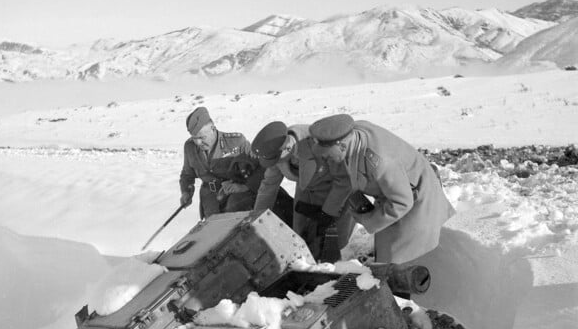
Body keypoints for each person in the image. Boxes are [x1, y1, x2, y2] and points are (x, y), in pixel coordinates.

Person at [308, 113, 454, 265]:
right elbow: (345, 177)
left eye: (328, 156)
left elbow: (402, 202)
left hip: (418, 201)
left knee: (403, 260)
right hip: (394, 195)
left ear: (342, 146)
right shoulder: (351, 136)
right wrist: (328, 212)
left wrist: (368, 219)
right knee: (386, 249)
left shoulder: (380, 162)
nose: (326, 160)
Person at [252, 120, 355, 261]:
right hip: (305, 194)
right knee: (301, 245)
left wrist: (328, 212)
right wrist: (257, 219)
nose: (275, 163)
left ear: (287, 147)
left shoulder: (317, 140)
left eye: (276, 159)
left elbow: (344, 180)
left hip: (337, 193)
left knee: (335, 246)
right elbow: (268, 186)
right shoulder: (274, 152)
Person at [179, 107, 256, 218]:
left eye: (202, 137)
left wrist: (244, 187)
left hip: (237, 199)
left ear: (213, 128)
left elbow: (258, 169)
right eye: (195, 138)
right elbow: (187, 174)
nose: (198, 142)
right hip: (210, 201)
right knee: (214, 232)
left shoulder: (236, 142)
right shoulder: (189, 147)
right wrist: (186, 192)